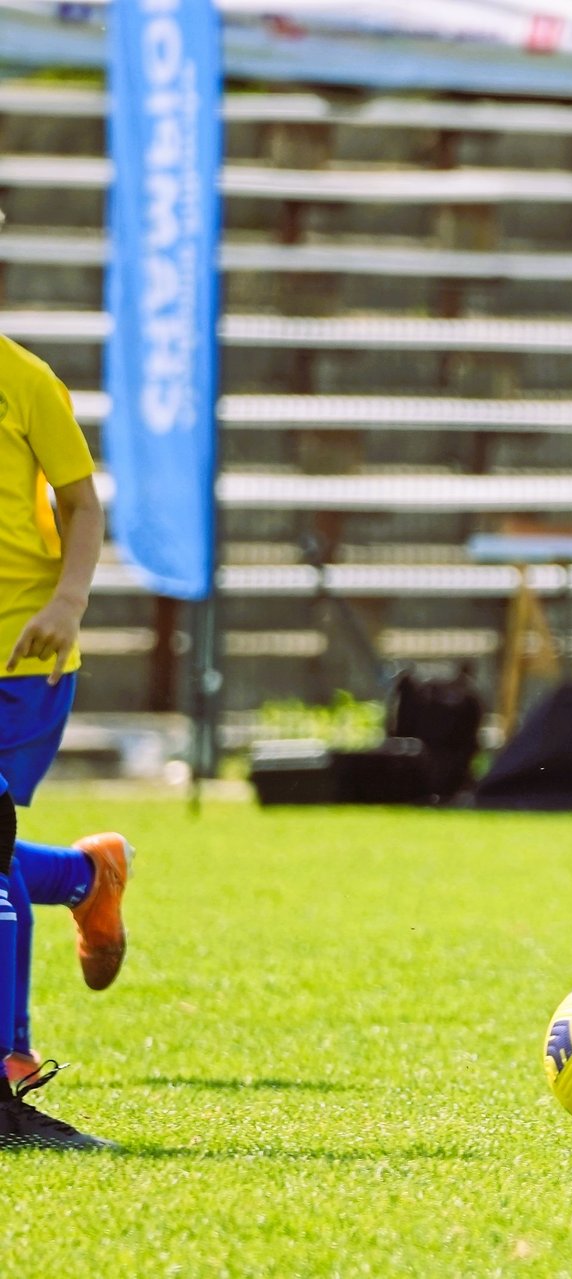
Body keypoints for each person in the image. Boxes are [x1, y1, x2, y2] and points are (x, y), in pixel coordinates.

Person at [0, 296, 131, 1151]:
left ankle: (8, 1060)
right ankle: (85, 878)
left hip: (22, 657)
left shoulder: (24, 380)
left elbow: (83, 504)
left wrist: (69, 602)